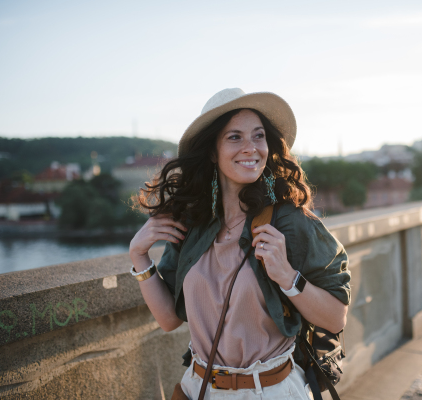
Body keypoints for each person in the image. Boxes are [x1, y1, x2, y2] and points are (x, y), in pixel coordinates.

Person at [128, 88, 351, 400]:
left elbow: (335, 318)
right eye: (235, 137)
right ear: (211, 151)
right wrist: (139, 256)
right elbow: (169, 319)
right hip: (198, 388)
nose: (251, 148)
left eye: (258, 136)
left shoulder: (289, 222)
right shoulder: (195, 224)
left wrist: (286, 276)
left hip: (270, 391)